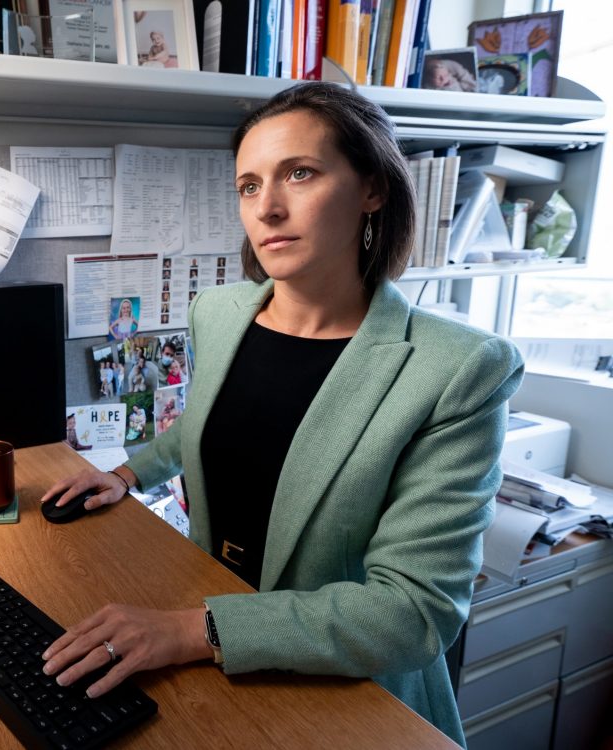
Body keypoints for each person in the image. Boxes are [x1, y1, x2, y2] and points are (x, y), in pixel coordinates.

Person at [37, 82, 523, 747]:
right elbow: (208, 423)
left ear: (373, 189)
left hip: (347, 694)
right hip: (213, 646)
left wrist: (190, 629)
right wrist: (127, 474)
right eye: (247, 186)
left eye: (301, 173)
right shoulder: (221, 312)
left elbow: (414, 613)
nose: (267, 208)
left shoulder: (457, 369)